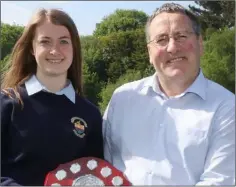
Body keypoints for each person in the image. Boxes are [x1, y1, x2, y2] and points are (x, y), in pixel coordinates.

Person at [103, 3, 235, 185]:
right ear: (149, 52)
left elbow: (219, 181)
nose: (172, 48)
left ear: (200, 43)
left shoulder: (227, 106)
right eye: (162, 39)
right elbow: (105, 166)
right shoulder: (122, 98)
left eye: (181, 36)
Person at [1, 8, 104, 186]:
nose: (55, 51)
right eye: (45, 42)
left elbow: (95, 176)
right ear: (32, 49)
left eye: (63, 41)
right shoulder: (7, 103)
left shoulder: (91, 114)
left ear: (74, 48)